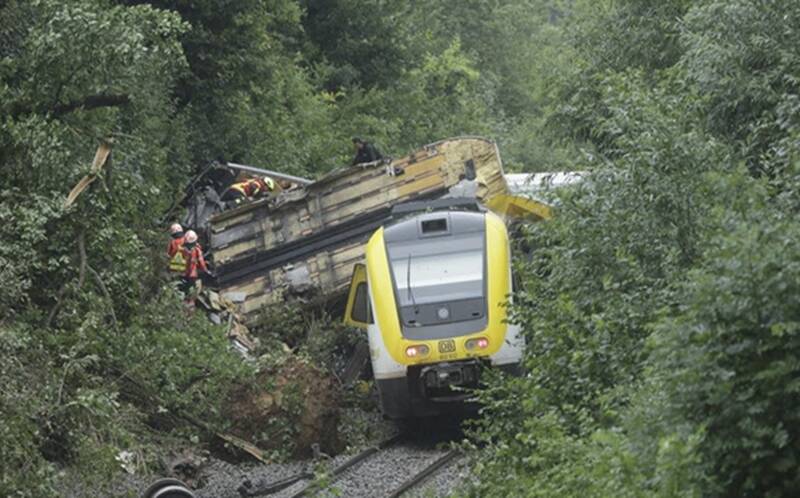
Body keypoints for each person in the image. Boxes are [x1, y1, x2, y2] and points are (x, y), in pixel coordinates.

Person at [180, 230, 211, 298]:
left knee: (186, 286)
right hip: (193, 273)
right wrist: (206, 270)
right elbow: (201, 262)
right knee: (193, 287)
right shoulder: (197, 250)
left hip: (183, 272)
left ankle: (185, 296)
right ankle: (191, 299)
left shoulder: (182, 249)